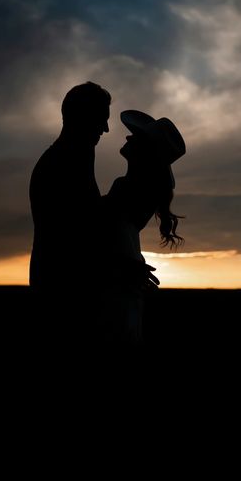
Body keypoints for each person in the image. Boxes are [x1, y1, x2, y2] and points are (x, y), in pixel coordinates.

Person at [95, 110, 186, 346]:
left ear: (146, 151)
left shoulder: (128, 189)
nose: (127, 138)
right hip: (125, 273)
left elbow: (105, 234)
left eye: (135, 136)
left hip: (117, 280)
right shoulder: (139, 190)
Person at [29, 81, 111, 340]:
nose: (106, 129)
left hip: (64, 292)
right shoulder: (62, 164)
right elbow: (74, 236)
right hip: (64, 298)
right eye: (101, 119)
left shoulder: (74, 158)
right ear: (82, 118)